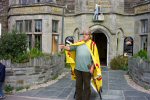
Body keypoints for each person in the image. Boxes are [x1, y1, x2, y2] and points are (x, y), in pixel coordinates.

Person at [60, 28, 102, 100]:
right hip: (78, 69)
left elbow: (95, 58)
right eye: (83, 34)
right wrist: (64, 47)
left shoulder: (92, 45)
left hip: (87, 70)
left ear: (90, 36)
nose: (84, 36)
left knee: (87, 87)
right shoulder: (79, 43)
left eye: (86, 34)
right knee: (78, 86)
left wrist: (92, 67)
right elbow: (70, 48)